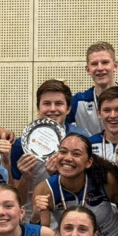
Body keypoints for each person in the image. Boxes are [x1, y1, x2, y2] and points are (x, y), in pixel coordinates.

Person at [10, 79, 90, 219]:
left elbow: (90, 185)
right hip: (33, 218)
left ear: (68, 109)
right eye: (47, 104)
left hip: (72, 216)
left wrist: (59, 175)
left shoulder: (82, 138)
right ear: (38, 109)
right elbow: (17, 200)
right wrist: (25, 177)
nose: (53, 109)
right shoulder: (22, 144)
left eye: (58, 103)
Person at [31, 134, 118, 236]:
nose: (67, 158)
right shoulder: (45, 190)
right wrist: (35, 217)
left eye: (76, 154)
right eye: (63, 152)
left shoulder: (104, 179)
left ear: (89, 162)